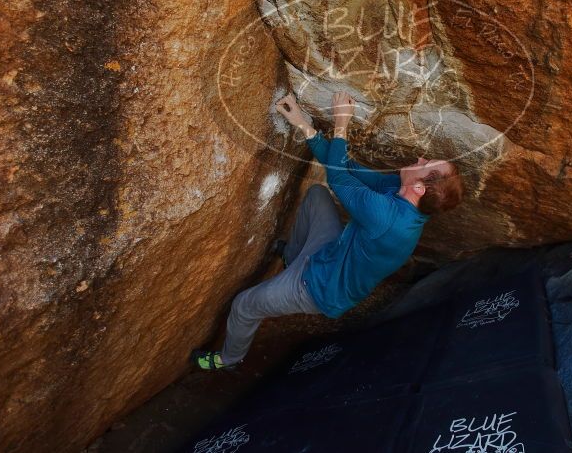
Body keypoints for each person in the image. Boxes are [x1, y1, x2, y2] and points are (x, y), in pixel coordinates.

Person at [191, 91, 464, 370]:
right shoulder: (401, 192)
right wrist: (302, 124)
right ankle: (292, 258)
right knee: (316, 196)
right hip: (331, 253)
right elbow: (346, 167)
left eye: (425, 165)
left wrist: (341, 123)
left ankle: (229, 359)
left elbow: (339, 177)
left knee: (244, 305)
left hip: (319, 288)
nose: (420, 158)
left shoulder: (388, 218)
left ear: (419, 188)